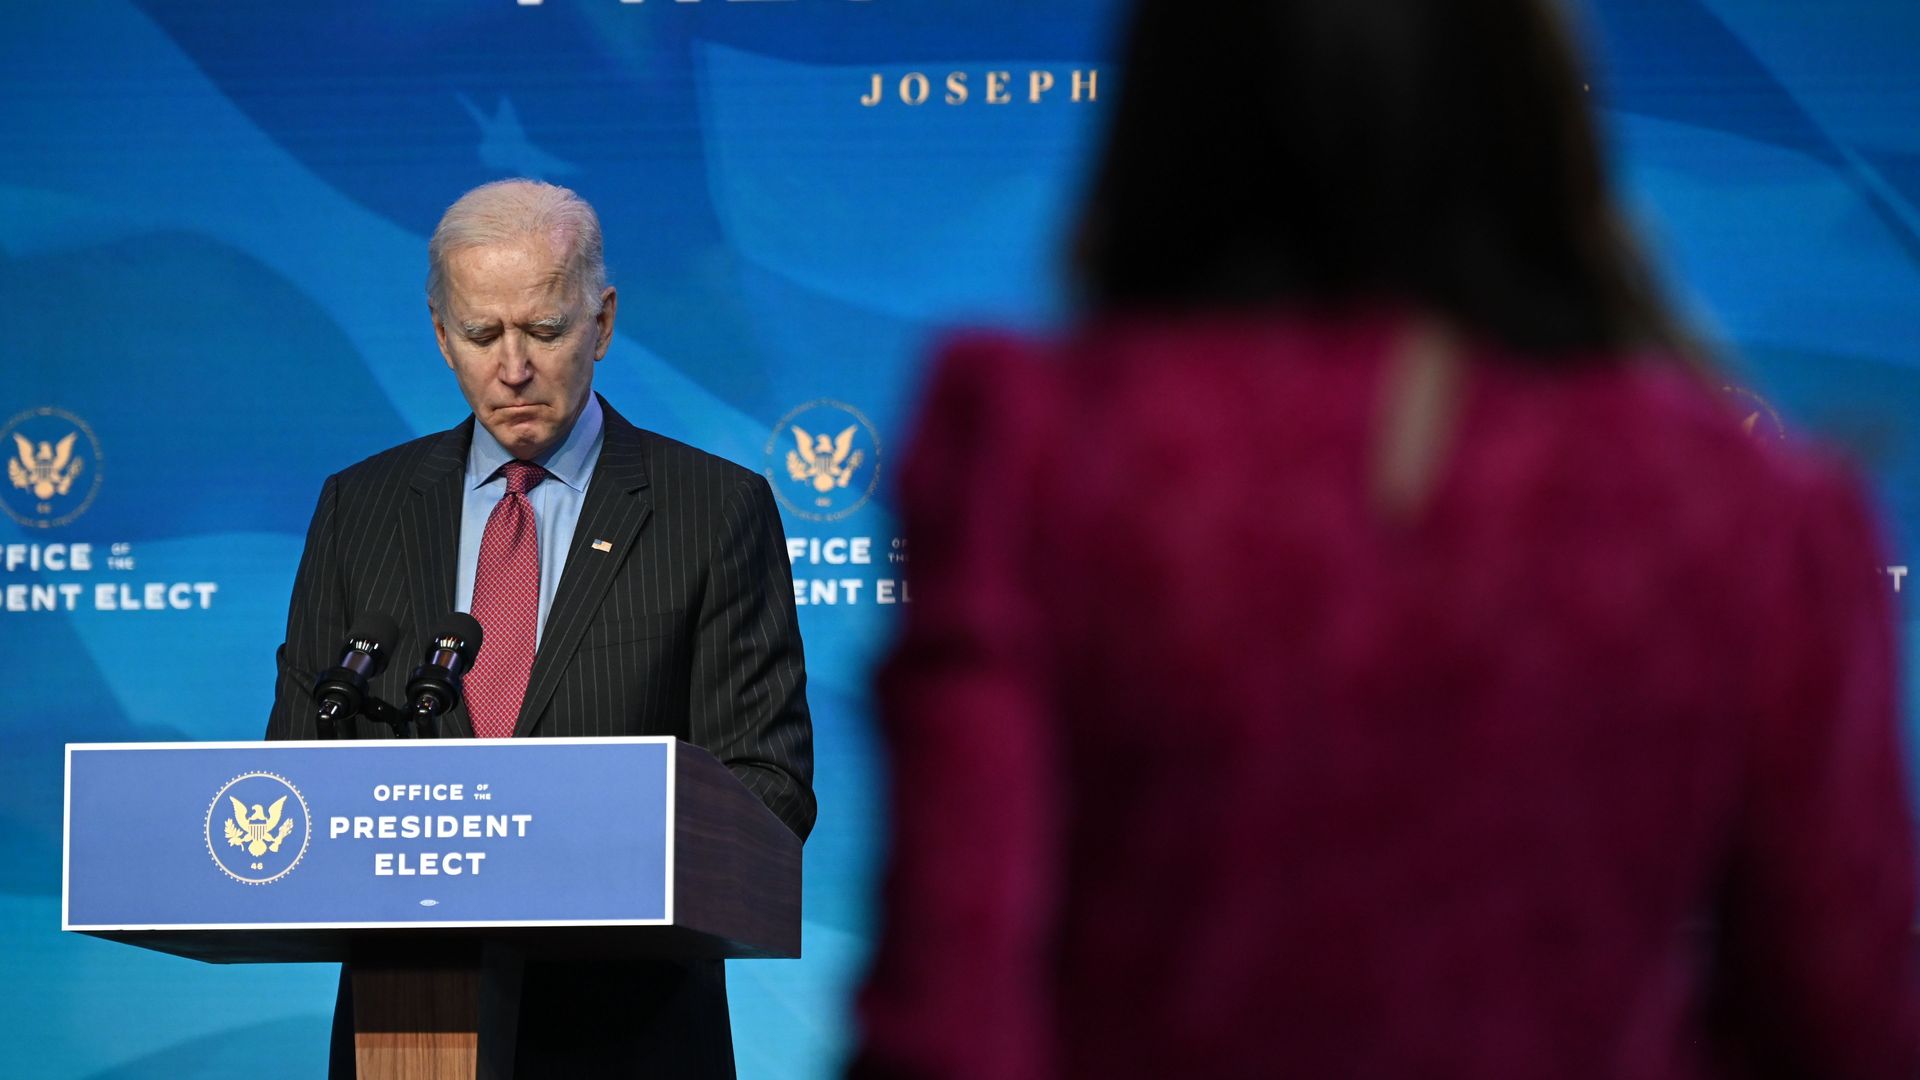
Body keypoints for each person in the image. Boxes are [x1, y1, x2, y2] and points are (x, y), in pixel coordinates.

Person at [853, 1, 1918, 1077]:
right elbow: (1843, 1026)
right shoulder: (1758, 512)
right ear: (1535, 114)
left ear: (1167, 113)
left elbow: (949, 1014)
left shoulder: (1029, 452)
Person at [266, 179, 813, 1077]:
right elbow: (297, 761)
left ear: (601, 322)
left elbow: (768, 782)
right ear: (441, 336)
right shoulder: (358, 509)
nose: (512, 367)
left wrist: (581, 860)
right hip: (406, 1023)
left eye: (545, 332)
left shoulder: (711, 510)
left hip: (629, 1028)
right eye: (481, 335)